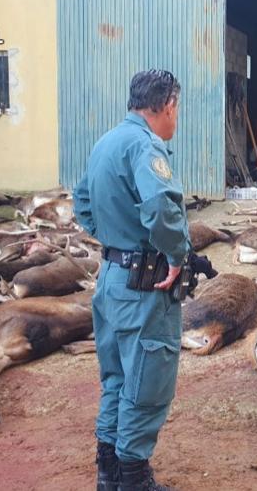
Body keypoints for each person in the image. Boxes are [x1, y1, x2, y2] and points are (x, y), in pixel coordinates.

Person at [74, 69, 189, 491]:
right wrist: (177, 255)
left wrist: (113, 239)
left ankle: (109, 475)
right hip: (146, 286)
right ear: (168, 105)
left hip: (111, 279)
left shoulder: (106, 142)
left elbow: (82, 201)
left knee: (117, 379)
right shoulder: (144, 146)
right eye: (178, 110)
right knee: (147, 383)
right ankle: (135, 481)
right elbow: (160, 207)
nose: (177, 119)